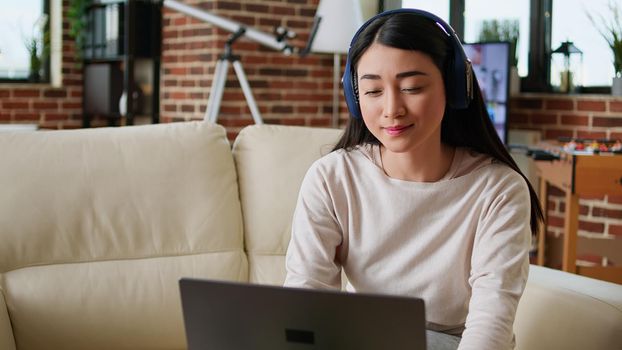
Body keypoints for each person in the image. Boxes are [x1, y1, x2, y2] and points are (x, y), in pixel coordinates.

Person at [284, 8, 543, 350]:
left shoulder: (498, 189)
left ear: (453, 87)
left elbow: (490, 325)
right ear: (354, 95)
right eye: (373, 91)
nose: (392, 108)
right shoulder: (332, 177)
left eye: (411, 87)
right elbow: (306, 300)